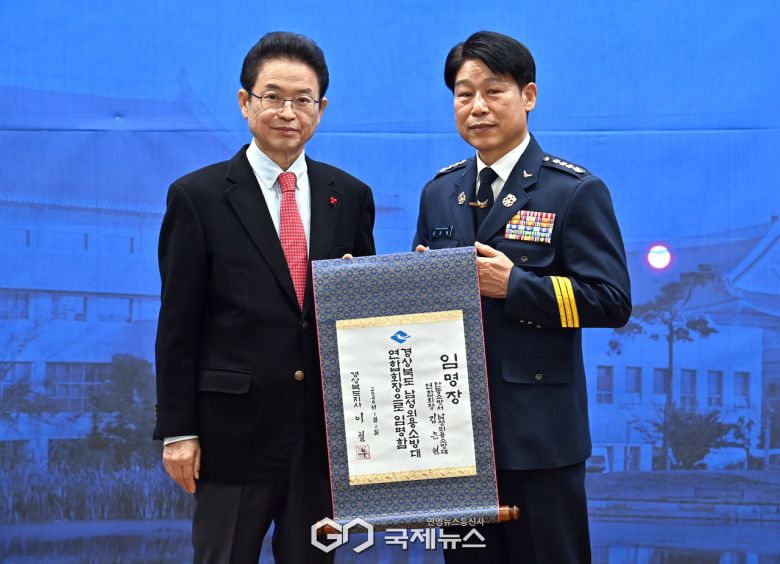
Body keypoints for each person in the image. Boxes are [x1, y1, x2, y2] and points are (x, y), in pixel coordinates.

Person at [153, 31, 375, 563]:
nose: (287, 112)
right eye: (272, 96)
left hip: (321, 441)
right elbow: (178, 326)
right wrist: (178, 431)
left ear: (321, 109)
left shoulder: (350, 196)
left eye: (303, 100)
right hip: (231, 437)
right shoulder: (198, 197)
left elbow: (362, 324)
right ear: (244, 102)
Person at [413, 31, 631, 563]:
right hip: (455, 437)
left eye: (494, 91)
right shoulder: (439, 191)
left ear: (528, 96)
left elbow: (611, 300)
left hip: (540, 437)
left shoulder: (572, 190)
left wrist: (515, 285)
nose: (478, 107)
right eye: (464, 94)